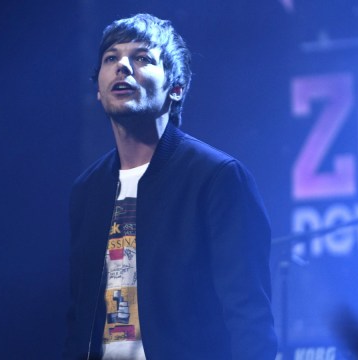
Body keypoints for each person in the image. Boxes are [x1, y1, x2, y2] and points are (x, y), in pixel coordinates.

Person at [64, 13, 277, 360]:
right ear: (98, 92)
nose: (123, 67)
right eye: (111, 58)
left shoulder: (217, 178)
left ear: (175, 89)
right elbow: (78, 317)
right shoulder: (87, 190)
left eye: (142, 58)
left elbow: (249, 317)